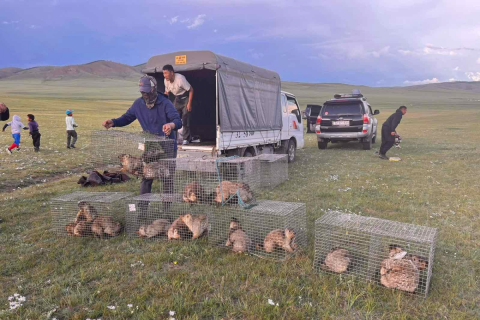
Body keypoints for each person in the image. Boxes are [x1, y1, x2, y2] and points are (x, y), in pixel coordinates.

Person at [102, 75, 182, 196]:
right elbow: (127, 117)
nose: (145, 94)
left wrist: (170, 125)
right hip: (151, 147)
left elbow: (178, 120)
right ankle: (142, 209)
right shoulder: (138, 104)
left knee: (167, 178)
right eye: (142, 91)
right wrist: (114, 122)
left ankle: (167, 211)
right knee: (146, 176)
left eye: (147, 91)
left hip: (167, 147)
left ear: (154, 88)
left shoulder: (165, 103)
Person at [163, 64, 193, 145]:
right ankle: (173, 138)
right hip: (177, 98)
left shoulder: (180, 79)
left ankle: (186, 138)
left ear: (172, 73)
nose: (164, 75)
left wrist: (189, 103)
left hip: (185, 97)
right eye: (163, 73)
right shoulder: (166, 80)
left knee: (185, 118)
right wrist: (165, 102)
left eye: (166, 73)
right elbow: (167, 92)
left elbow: (191, 90)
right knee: (174, 117)